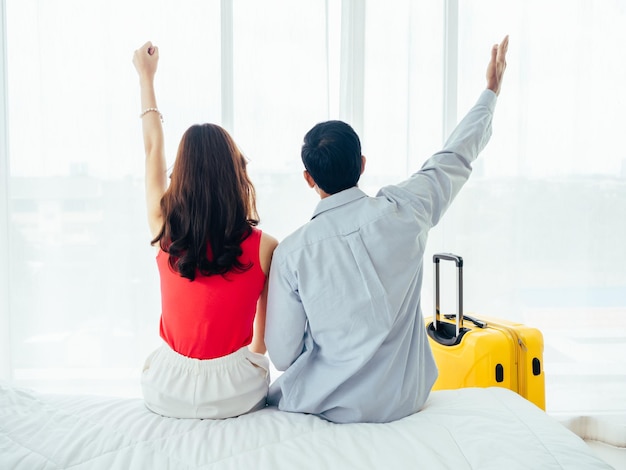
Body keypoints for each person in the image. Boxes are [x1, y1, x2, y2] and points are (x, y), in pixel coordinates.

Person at [265, 36, 509, 423]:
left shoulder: (292, 254)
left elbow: (281, 355)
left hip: (328, 408)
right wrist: (491, 91)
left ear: (308, 178)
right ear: (362, 164)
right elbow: (455, 156)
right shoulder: (407, 209)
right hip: (405, 401)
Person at [132, 41, 278, 419]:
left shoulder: (164, 226)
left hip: (167, 389)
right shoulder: (265, 247)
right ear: (235, 174)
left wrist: (146, 78)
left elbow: (152, 149)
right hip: (236, 393)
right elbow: (260, 344)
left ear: (181, 174)